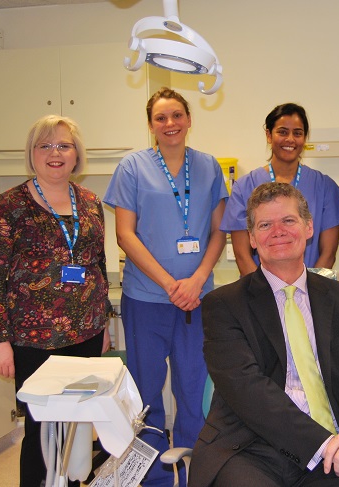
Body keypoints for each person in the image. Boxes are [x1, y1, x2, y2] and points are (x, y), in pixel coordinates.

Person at [189, 182, 339, 487]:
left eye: (288, 220)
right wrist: (326, 446)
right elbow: (250, 392)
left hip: (336, 444)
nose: (278, 231)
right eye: (265, 224)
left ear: (308, 227)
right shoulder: (224, 305)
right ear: (252, 239)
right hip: (249, 449)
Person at [103, 87, 228, 486]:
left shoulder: (209, 167)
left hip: (197, 299)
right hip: (147, 298)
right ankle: (153, 477)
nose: (170, 124)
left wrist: (194, 282)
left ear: (189, 119)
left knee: (194, 388)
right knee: (146, 390)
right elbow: (126, 235)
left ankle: (195, 474)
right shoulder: (132, 168)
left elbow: (217, 233)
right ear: (151, 125)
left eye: (177, 115)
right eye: (161, 118)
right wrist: (171, 283)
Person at [0, 115, 111, 487]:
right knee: (40, 431)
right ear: (33, 154)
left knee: (74, 429)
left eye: (64, 145)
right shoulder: (9, 206)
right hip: (32, 340)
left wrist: (102, 324)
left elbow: (97, 265)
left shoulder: (89, 202)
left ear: (76, 155)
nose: (55, 153)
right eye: (45, 145)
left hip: (84, 333)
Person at [220, 103, 339, 275]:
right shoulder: (244, 188)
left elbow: (328, 254)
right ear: (268, 135)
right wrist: (265, 294)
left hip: (310, 292)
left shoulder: (324, 186)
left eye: (297, 133)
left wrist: (307, 293)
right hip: (261, 293)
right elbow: (242, 256)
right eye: (282, 132)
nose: (290, 139)